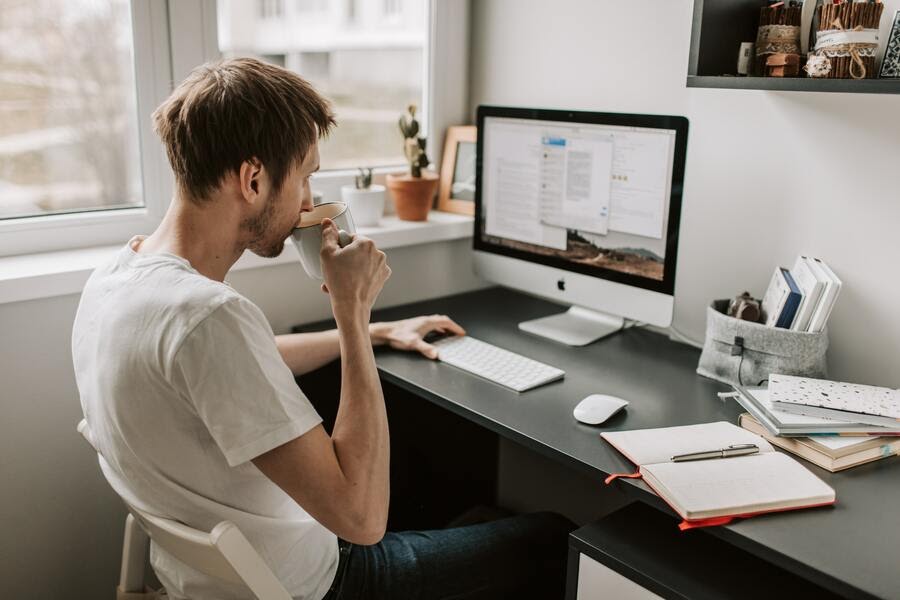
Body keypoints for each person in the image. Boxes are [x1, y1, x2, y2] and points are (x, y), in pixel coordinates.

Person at [72, 58, 572, 600]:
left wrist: (376, 333)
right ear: (253, 179)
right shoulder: (210, 316)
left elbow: (230, 366)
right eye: (306, 175)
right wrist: (353, 315)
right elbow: (361, 520)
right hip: (322, 584)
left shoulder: (117, 278)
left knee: (450, 498)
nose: (309, 202)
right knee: (554, 537)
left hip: (204, 579)